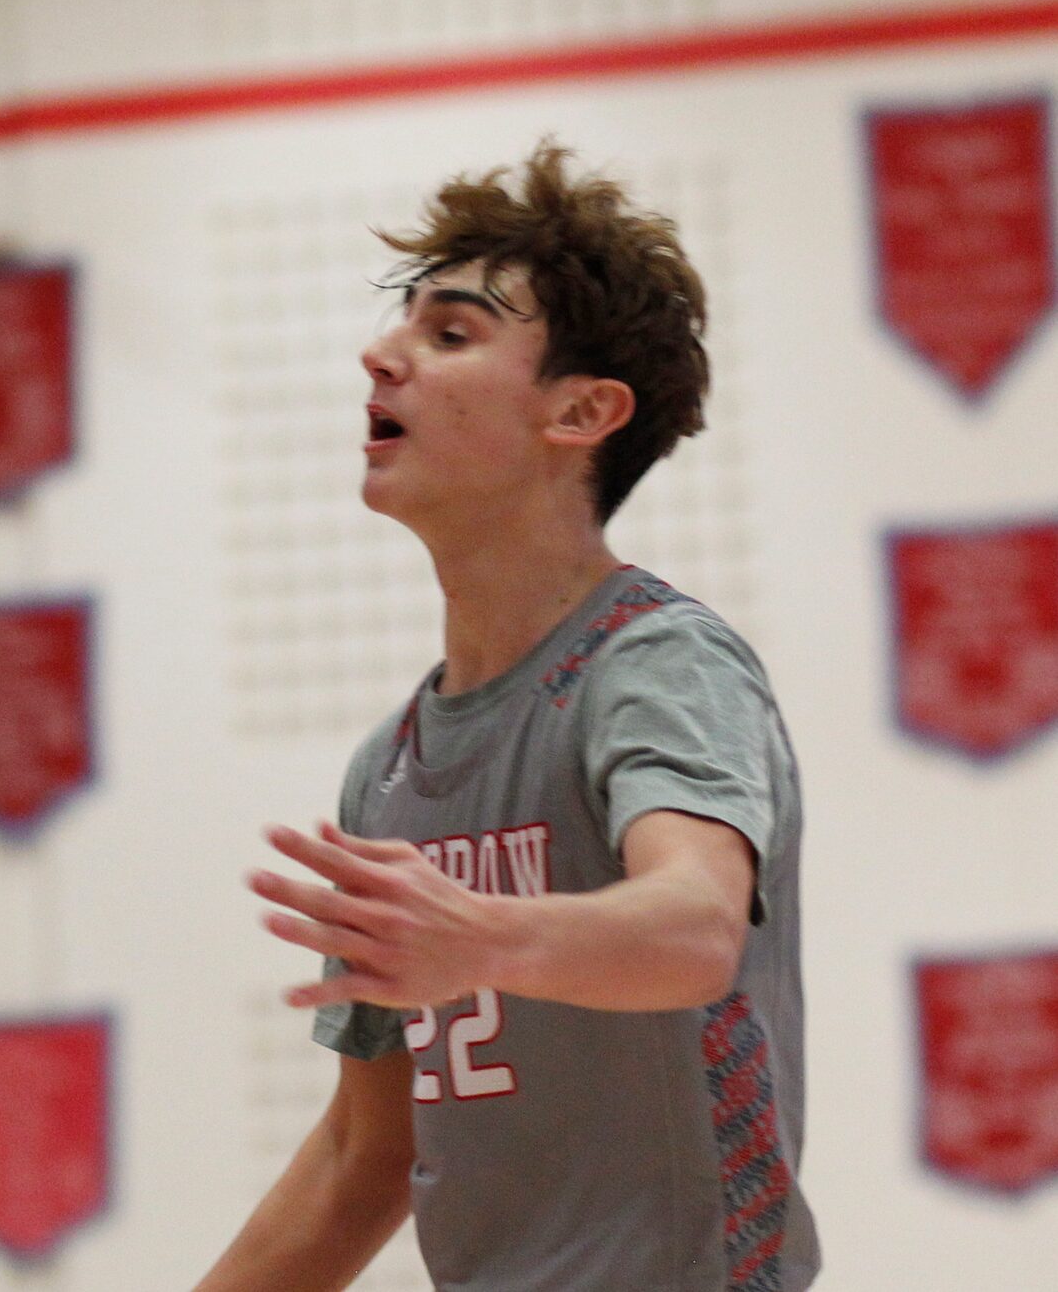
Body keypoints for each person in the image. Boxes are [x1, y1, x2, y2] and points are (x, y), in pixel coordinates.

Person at [191, 144, 818, 1292]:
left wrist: (482, 939)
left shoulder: (655, 662)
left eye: (450, 334)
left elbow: (693, 929)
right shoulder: (388, 770)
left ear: (580, 411)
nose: (380, 355)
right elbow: (362, 1158)